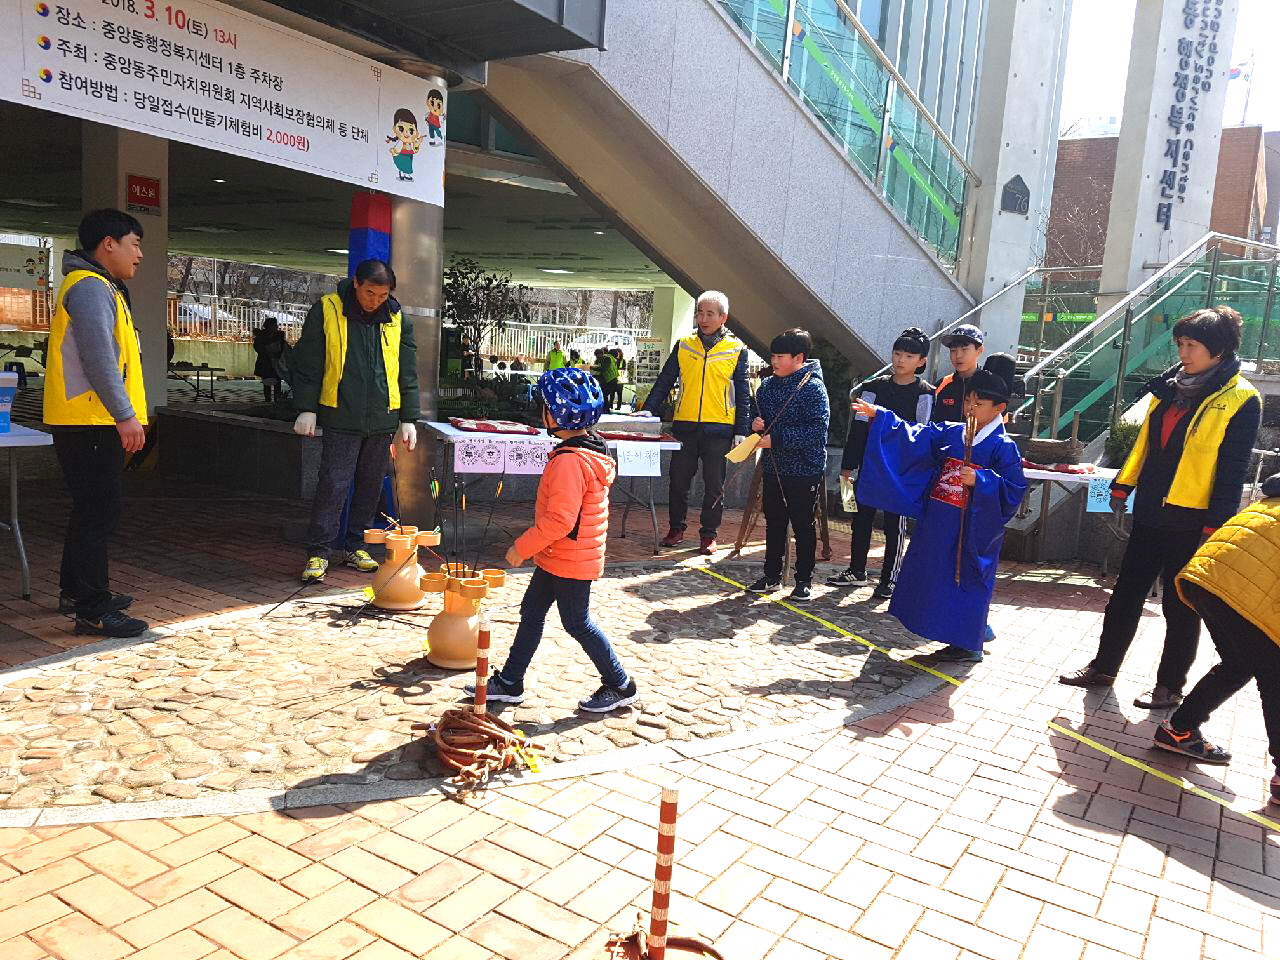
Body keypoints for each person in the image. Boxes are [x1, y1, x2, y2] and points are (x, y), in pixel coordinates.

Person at [1060, 307, 1261, 708]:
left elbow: (1231, 469)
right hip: (1152, 509)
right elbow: (1145, 447)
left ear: (1218, 351)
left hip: (1193, 519)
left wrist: (1214, 526)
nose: (1183, 352)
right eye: (1180, 344)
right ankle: (1104, 666)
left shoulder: (1241, 399)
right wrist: (1123, 485)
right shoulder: (1170, 387)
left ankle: (1169, 686)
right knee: (1125, 593)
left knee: (1179, 604)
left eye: (1192, 345)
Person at [467, 367, 639, 713]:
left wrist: (521, 546)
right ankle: (512, 681)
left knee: (577, 622)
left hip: (570, 558)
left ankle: (620, 684)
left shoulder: (569, 462)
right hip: (558, 555)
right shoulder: (589, 451)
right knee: (532, 611)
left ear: (554, 414)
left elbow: (560, 519)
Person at [852, 355, 1026, 661]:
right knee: (935, 576)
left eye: (979, 404)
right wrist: (880, 415)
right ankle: (942, 631)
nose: (970, 408)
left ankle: (970, 643)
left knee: (966, 579)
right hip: (940, 518)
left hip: (971, 525)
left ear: (999, 409)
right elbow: (914, 435)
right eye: (969, 401)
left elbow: (1013, 489)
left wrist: (983, 480)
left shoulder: (1003, 446)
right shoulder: (952, 431)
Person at [44, 209, 149, 637]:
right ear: (109, 244)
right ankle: (92, 608)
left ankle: (76, 590)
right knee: (98, 513)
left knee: (89, 509)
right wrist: (124, 416)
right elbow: (99, 358)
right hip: (90, 418)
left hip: (87, 417)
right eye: (135, 243)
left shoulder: (100, 286)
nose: (140, 254)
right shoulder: (90, 288)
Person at [1152, 472, 1280, 807]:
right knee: (1274, 675)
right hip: (1241, 590)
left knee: (1241, 664)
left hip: (1208, 578)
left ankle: (1178, 729)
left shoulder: (1274, 497)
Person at [291, 259, 420, 583]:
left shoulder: (396, 317)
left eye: (382, 294)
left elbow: (406, 370)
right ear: (356, 284)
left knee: (370, 486)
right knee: (333, 483)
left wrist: (408, 418)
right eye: (370, 293)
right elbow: (309, 363)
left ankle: (356, 545)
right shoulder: (328, 309)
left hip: (382, 417)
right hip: (341, 413)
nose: (375, 301)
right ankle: (319, 552)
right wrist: (307, 407)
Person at [640, 290, 750, 554]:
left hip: (719, 428)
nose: (703, 318)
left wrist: (741, 430)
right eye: (700, 312)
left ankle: (708, 534)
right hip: (685, 426)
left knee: (714, 485)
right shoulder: (685, 344)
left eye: (710, 313)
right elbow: (665, 380)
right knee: (678, 481)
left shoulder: (736, 349)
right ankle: (676, 528)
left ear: (723, 317)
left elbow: (743, 392)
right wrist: (649, 410)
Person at [829, 327, 934, 597]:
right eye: (897, 353)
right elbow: (859, 428)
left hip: (901, 470)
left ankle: (890, 578)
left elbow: (920, 434)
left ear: (921, 361)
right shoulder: (872, 388)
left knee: (893, 524)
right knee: (859, 518)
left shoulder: (925, 394)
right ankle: (856, 570)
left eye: (909, 356)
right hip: (869, 464)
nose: (901, 360)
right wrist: (848, 465)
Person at [746, 329, 830, 602]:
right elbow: (761, 419)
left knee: (803, 525)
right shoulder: (768, 386)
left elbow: (817, 431)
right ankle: (772, 575)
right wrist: (757, 425)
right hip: (774, 467)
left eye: (780, 356)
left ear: (799, 358)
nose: (775, 361)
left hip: (805, 469)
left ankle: (804, 579)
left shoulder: (814, 388)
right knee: (774, 523)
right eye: (773, 356)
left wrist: (777, 439)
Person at [931, 323, 984, 422]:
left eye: (964, 349)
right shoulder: (941, 385)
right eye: (953, 350)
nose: (958, 355)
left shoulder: (990, 385)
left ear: (979, 350)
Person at [253, 315, 288, 403]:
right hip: (270, 362)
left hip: (270, 361)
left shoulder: (262, 336)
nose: (276, 327)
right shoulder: (275, 337)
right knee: (271, 383)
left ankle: (273, 400)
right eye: (274, 325)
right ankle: (271, 400)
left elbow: (258, 348)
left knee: (272, 382)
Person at [594, 347, 619, 412]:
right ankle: (605, 409)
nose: (597, 358)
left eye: (597, 356)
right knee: (603, 394)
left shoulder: (607, 359)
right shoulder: (603, 358)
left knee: (604, 394)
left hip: (612, 379)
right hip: (609, 380)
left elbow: (604, 369)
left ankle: (606, 409)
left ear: (601, 354)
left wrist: (592, 368)